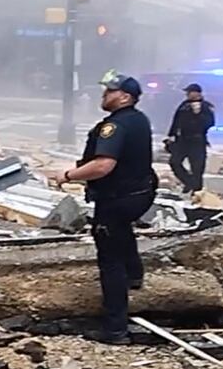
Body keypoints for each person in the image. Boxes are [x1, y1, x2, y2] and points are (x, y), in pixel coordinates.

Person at [53, 73, 157, 344]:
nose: (104, 94)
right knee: (122, 232)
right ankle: (134, 275)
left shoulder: (115, 126)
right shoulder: (139, 119)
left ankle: (115, 329)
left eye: (110, 91)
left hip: (117, 198)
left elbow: (103, 165)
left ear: (125, 97)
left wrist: (68, 175)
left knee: (110, 259)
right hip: (139, 193)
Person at [165, 83, 215, 194]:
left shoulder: (206, 106)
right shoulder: (184, 105)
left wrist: (198, 114)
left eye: (190, 92)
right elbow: (176, 121)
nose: (187, 94)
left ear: (197, 93)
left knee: (197, 168)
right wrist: (171, 135)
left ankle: (197, 193)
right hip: (182, 140)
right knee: (174, 162)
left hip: (197, 140)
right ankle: (189, 181)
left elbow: (210, 123)